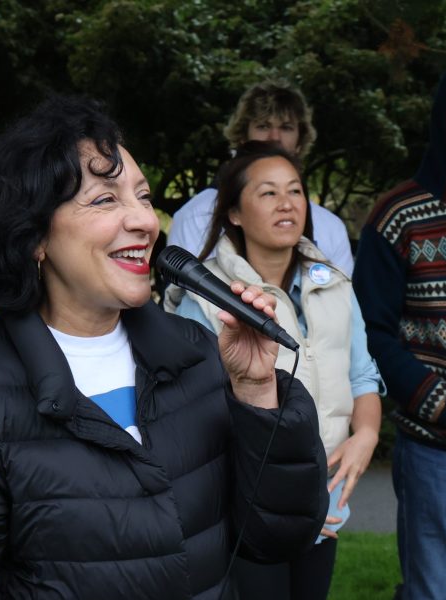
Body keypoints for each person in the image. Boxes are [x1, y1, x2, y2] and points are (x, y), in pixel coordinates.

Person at [0, 96, 328, 599]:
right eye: (105, 200)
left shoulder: (195, 353)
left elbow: (277, 535)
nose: (143, 220)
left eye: (142, 197)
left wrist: (256, 393)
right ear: (33, 237)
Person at [165, 141, 382, 599]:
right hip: (245, 511)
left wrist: (365, 436)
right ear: (234, 213)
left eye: (296, 191)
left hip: (323, 509)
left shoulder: (335, 283)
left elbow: (362, 376)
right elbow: (192, 422)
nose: (287, 203)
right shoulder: (204, 300)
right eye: (267, 193)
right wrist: (280, 500)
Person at [353, 52, 446, 600]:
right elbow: (370, 329)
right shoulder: (400, 215)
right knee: (436, 592)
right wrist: (437, 400)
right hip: (441, 452)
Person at [168, 79, 354, 274]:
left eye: (286, 127)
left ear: (300, 142)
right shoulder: (196, 216)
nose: (274, 137)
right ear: (242, 137)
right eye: (263, 126)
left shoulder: (331, 228)